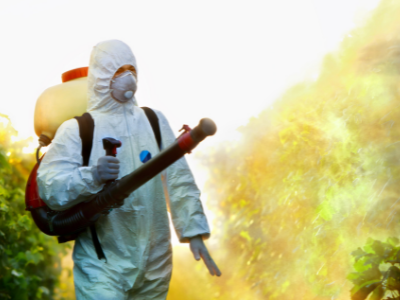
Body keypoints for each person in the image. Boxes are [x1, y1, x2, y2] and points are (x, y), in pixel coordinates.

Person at [37, 39, 221, 300]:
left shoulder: (154, 121)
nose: (128, 77)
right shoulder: (77, 130)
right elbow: (50, 188)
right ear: (101, 76)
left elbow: (178, 180)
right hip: (102, 265)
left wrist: (194, 232)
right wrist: (93, 176)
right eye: (118, 70)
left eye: (131, 69)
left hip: (155, 264)